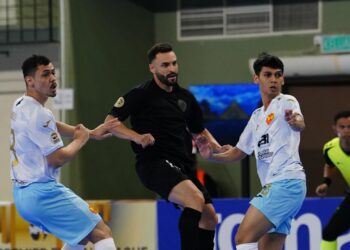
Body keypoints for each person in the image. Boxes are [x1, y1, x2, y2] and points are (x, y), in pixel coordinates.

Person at [105, 43, 221, 250]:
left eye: (174, 63)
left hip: (182, 165)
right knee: (194, 198)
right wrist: (137, 137)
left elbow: (198, 131)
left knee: (210, 218)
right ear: (152, 68)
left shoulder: (186, 97)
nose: (172, 69)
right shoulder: (140, 94)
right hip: (153, 163)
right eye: (165, 65)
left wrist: (213, 146)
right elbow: (111, 123)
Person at [196, 53, 307, 250]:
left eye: (277, 75)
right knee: (267, 247)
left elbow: (299, 123)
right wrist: (211, 156)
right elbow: (237, 152)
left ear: (282, 79)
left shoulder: (286, 102)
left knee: (243, 238)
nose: (273, 79)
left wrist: (295, 121)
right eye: (267, 75)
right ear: (256, 79)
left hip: (286, 182)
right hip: (282, 186)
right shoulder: (256, 117)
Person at [10, 55, 120, 250]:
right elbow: (57, 159)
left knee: (80, 239)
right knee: (101, 232)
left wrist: (91, 133)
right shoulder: (40, 114)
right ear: (30, 81)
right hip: (42, 192)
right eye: (45, 74)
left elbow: (52, 125)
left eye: (53, 72)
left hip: (22, 196)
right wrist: (80, 139)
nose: (53, 78)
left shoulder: (21, 104)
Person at [315, 111, 350, 250]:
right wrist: (326, 182)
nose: (347, 130)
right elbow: (329, 165)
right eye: (342, 127)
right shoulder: (330, 149)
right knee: (329, 233)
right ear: (335, 129)